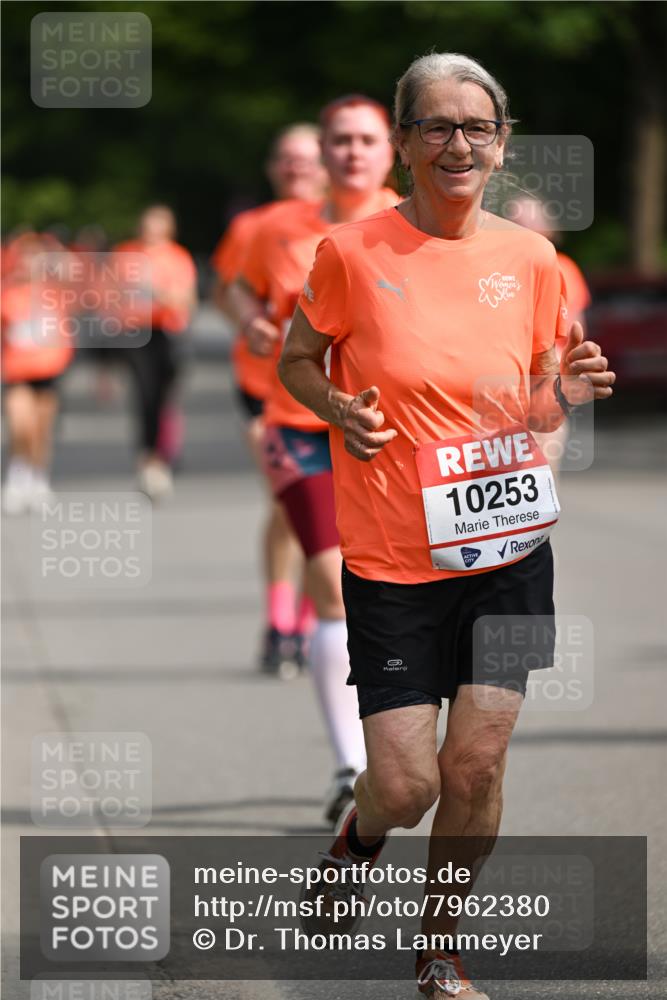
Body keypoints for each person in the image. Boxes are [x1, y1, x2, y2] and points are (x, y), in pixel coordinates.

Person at [278, 54, 615, 997]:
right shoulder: (351, 252)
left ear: (500, 143)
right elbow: (297, 360)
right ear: (405, 143)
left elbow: (540, 406)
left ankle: (438, 946)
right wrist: (337, 411)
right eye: (436, 126)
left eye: (476, 127)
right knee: (410, 784)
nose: (457, 143)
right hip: (391, 561)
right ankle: (359, 836)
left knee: (475, 763)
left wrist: (568, 393)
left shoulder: (532, 258)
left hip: (507, 550)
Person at [235, 95, 399, 825]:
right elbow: (233, 289)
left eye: (366, 139)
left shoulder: (418, 221)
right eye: (340, 140)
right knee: (331, 587)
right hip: (298, 423)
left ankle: (403, 744)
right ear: (323, 153)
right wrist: (249, 318)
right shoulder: (273, 227)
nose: (352, 152)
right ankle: (350, 766)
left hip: (391, 432)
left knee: (396, 592)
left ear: (390, 148)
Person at [212, 124, 327, 677]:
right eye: (285, 158)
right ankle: (282, 621)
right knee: (290, 505)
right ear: (270, 167)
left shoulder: (365, 222)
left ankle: (311, 620)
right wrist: (251, 321)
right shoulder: (253, 227)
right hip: (264, 389)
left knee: (329, 516)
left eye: (305, 158)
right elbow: (229, 291)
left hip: (335, 394)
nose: (295, 167)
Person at [112, 205, 197, 500]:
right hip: (135, 333)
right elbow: (113, 295)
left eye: (158, 225)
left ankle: (163, 457)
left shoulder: (177, 257)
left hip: (168, 333)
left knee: (166, 396)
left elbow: (186, 299)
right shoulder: (126, 254)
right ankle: (147, 460)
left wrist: (156, 293)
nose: (151, 231)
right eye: (147, 224)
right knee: (143, 397)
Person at [510, 195, 592, 474]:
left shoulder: (564, 268)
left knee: (542, 468)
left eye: (527, 222)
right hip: (501, 389)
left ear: (546, 228)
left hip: (545, 386)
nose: (520, 229)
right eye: (513, 222)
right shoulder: (497, 271)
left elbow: (575, 336)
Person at [1, 232, 74, 514]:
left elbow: (74, 273)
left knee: (41, 430)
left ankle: (38, 478)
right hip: (17, 369)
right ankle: (17, 477)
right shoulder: (7, 292)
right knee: (21, 425)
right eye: (25, 257)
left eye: (34, 257)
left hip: (49, 368)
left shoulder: (54, 291)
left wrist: (52, 248)